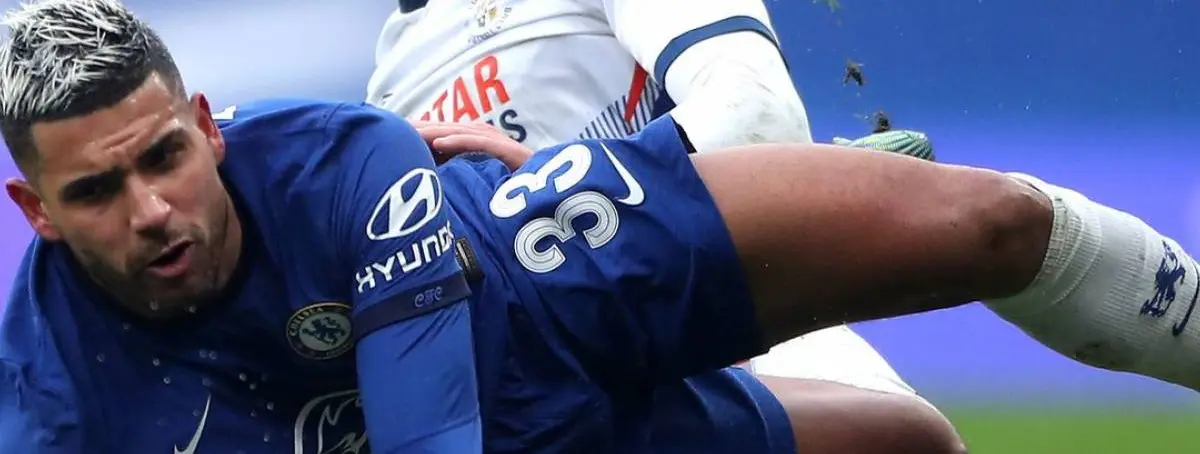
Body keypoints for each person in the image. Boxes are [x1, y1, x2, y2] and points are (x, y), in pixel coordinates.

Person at [2, 3, 1198, 454]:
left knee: (992, 228)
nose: (150, 209)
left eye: (163, 159)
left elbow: (753, 112)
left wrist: (737, 189)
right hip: (487, 391)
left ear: (205, 130)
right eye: (100, 191)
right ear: (36, 212)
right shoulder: (47, 397)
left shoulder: (338, 154)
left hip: (555, 267)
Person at [367, 0, 958, 451]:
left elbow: (757, 114)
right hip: (549, 397)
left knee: (905, 435)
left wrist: (558, 194)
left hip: (719, 328)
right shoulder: (393, 66)